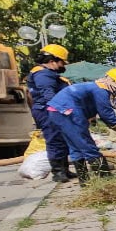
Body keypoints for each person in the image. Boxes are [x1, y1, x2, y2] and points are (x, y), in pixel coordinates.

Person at [47, 68, 116, 183]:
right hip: (67, 111)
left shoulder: (94, 86)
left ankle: (84, 182)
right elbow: (106, 114)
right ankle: (106, 182)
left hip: (56, 111)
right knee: (87, 145)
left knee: (75, 147)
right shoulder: (101, 90)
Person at [25, 44, 74, 182]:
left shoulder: (47, 73)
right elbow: (49, 95)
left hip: (51, 109)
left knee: (62, 139)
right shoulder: (43, 74)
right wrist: (62, 110)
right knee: (55, 140)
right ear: (52, 60)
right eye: (61, 62)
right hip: (47, 111)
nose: (62, 66)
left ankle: (64, 170)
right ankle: (58, 172)